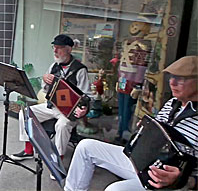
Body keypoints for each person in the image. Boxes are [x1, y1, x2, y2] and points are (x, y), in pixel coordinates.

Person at [64, 56, 198, 191]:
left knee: (114, 189)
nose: (172, 83)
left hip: (167, 181)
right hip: (144, 160)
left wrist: (186, 181)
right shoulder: (172, 103)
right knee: (86, 146)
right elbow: (160, 134)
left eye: (181, 79)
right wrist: (147, 130)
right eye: (171, 77)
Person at [10, 34, 92, 162]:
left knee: (62, 126)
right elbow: (45, 90)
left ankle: (57, 160)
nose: (55, 50)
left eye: (59, 47)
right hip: (51, 106)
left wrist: (83, 109)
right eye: (54, 47)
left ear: (69, 49)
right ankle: (28, 150)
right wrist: (45, 80)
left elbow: (87, 95)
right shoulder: (54, 66)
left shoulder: (80, 70)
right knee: (25, 113)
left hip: (68, 112)